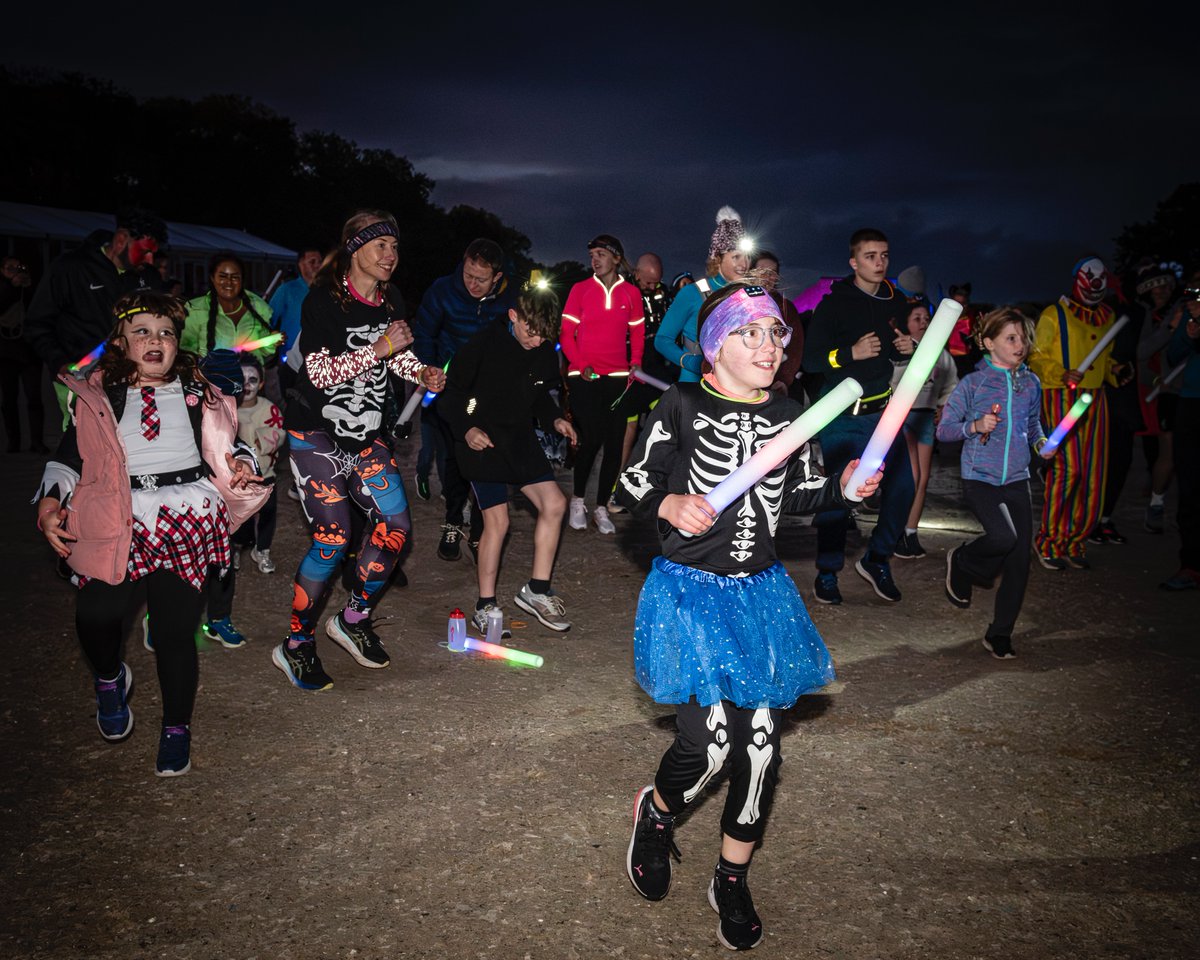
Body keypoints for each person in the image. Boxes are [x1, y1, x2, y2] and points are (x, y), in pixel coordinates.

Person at [614, 282, 881, 951]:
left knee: (761, 750)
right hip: (690, 594)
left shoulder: (792, 413)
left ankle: (730, 877)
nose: (770, 347)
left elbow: (805, 494)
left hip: (759, 596)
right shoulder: (681, 404)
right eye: (751, 333)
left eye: (777, 335)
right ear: (714, 345)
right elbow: (631, 485)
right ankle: (658, 813)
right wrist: (669, 504)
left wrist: (847, 488)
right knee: (709, 746)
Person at [34, 290, 267, 776]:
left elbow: (229, 441)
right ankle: (108, 678)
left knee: (173, 632)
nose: (155, 340)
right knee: (96, 614)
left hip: (188, 513)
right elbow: (69, 457)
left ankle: (176, 728)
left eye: (165, 332)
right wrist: (51, 502)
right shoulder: (97, 394)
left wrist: (242, 464)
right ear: (120, 341)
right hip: (118, 513)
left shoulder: (198, 389)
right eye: (141, 331)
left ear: (178, 341)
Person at [277, 210, 444, 691]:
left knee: (395, 528)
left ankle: (352, 619)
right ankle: (296, 644)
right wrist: (380, 349)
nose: (391, 255)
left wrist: (421, 372)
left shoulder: (392, 299)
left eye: (395, 247)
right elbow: (318, 373)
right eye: (380, 246)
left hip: (368, 434)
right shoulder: (323, 301)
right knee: (333, 539)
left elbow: (399, 356)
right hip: (316, 434)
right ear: (355, 248)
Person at [440, 284, 577, 635]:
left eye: (544, 336)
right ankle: (485, 605)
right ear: (513, 316)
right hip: (480, 439)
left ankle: (537, 591)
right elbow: (450, 394)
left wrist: (555, 419)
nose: (537, 341)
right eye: (531, 333)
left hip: (517, 438)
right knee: (497, 522)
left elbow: (539, 395)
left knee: (555, 503)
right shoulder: (483, 344)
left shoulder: (542, 348)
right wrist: (466, 430)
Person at [800, 227, 916, 604]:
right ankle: (827, 572)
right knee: (841, 495)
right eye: (870, 256)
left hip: (883, 413)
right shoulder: (833, 304)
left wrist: (905, 348)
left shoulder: (896, 300)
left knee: (903, 488)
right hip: (842, 416)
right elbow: (810, 361)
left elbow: (890, 354)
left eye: (884, 255)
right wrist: (849, 353)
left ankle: (877, 559)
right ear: (853, 262)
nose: (879, 263)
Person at [938, 308, 1049, 659]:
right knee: (1003, 537)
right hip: (980, 478)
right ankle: (963, 560)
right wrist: (974, 426)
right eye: (1011, 338)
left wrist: (1041, 444)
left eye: (1024, 338)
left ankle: (1000, 633)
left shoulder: (1031, 383)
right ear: (988, 343)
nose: (1021, 345)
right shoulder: (974, 384)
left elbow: (1033, 425)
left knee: (1019, 560)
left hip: (1017, 479)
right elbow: (944, 430)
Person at [411, 239, 514, 561]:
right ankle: (453, 522)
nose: (472, 283)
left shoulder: (510, 298)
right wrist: (428, 369)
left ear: (497, 277)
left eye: (481, 279)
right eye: (468, 274)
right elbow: (424, 334)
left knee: (488, 458)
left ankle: (481, 531)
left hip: (489, 392)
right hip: (450, 389)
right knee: (454, 459)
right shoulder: (442, 291)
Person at [24, 207, 168, 421]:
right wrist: (60, 362)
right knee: (84, 439)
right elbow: (37, 324)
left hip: (134, 380)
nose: (149, 260)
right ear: (121, 240)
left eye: (153, 254)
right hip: (80, 380)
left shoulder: (149, 277)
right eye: (145, 251)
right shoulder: (71, 267)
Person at [1029, 255, 1125, 570]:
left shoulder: (1108, 316)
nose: (1096, 284)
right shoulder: (1054, 314)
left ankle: (1074, 539)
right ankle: (1049, 540)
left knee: (1093, 473)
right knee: (1067, 469)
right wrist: (1061, 373)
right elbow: (1035, 357)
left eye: (1101, 278)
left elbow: (1105, 359)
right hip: (1061, 396)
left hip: (1095, 398)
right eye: (1090, 277)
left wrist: (1115, 371)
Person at [559, 234, 645, 535]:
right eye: (592, 255)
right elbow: (566, 334)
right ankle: (577, 501)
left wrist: (636, 362)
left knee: (615, 444)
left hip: (619, 378)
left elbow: (637, 333)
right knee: (591, 438)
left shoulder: (631, 294)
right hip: (585, 376)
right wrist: (580, 362)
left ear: (616, 258)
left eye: (601, 254)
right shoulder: (580, 289)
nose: (594, 260)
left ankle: (600, 507)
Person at [608, 252, 677, 513]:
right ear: (636, 273)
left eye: (656, 282)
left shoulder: (663, 295)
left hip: (657, 372)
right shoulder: (621, 292)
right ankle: (616, 491)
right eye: (648, 281)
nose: (652, 286)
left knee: (667, 427)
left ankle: (658, 488)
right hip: (629, 372)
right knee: (627, 432)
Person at [892, 295, 958, 559]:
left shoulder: (941, 354)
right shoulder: (899, 350)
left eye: (927, 318)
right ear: (906, 323)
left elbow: (952, 384)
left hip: (927, 417)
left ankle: (910, 532)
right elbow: (889, 382)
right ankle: (896, 530)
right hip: (904, 418)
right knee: (912, 475)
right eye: (916, 318)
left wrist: (944, 406)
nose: (923, 322)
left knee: (923, 479)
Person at [655, 207, 750, 384]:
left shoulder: (747, 296)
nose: (744, 264)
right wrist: (689, 361)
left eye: (748, 257)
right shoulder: (692, 293)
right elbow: (662, 339)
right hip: (694, 386)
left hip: (732, 387)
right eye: (736, 257)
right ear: (718, 258)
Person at [1134, 261, 1183, 536]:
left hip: (1178, 388)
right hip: (1156, 390)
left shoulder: (1182, 309)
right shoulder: (1146, 316)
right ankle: (1155, 500)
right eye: (1156, 287)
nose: (1162, 291)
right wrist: (1170, 328)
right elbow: (1141, 353)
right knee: (1160, 448)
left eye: (1166, 286)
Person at [1159, 275, 1200, 590]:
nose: (1194, 296)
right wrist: (1188, 333)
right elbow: (1172, 355)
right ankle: (1191, 565)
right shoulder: (1190, 312)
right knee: (1190, 487)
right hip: (1191, 403)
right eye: (1193, 290)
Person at [234, 355, 284, 573]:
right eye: (241, 379)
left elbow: (277, 434)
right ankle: (237, 545)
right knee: (240, 514)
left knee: (267, 512)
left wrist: (259, 439)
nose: (247, 385)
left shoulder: (269, 409)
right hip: (237, 477)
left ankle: (262, 549)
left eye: (253, 380)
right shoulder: (227, 409)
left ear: (261, 383)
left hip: (265, 473)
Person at [181, 253, 277, 367]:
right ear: (212, 278)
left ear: (242, 280)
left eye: (235, 277)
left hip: (250, 376)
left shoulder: (258, 307)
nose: (229, 282)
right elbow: (184, 350)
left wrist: (273, 341)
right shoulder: (195, 309)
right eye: (222, 276)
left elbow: (264, 351)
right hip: (209, 377)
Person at [0, 256, 46, 453]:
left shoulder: (30, 286)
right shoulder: (3, 287)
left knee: (34, 397)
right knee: (9, 399)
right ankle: (14, 442)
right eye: (10, 268)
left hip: (29, 351)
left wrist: (28, 288)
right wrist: (11, 288)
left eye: (18, 267)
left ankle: (37, 442)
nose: (15, 271)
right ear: (2, 270)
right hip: (5, 351)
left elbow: (40, 310)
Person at [750, 250, 805, 399]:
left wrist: (783, 379)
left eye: (772, 272)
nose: (767, 276)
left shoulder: (786, 308)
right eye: (762, 270)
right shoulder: (738, 304)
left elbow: (795, 347)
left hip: (774, 383)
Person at [268, 245, 323, 394]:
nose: (317, 265)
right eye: (312, 261)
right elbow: (268, 319)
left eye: (320, 261)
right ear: (301, 264)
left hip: (318, 361)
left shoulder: (325, 290)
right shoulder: (287, 289)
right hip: (289, 361)